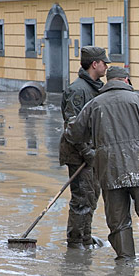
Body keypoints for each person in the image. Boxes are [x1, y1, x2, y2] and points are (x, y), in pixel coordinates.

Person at [64, 66, 139, 265]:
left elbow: (74, 134)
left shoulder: (94, 104)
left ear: (108, 82)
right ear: (126, 81)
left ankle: (126, 260)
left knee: (118, 221)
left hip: (109, 171)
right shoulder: (138, 101)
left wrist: (85, 133)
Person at [59, 46, 109, 249]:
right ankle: (75, 241)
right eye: (104, 62)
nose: (106, 66)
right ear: (94, 64)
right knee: (82, 198)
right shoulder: (78, 90)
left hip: (92, 153)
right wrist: (86, 152)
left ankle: (86, 237)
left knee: (91, 196)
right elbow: (72, 125)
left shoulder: (97, 87)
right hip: (78, 154)